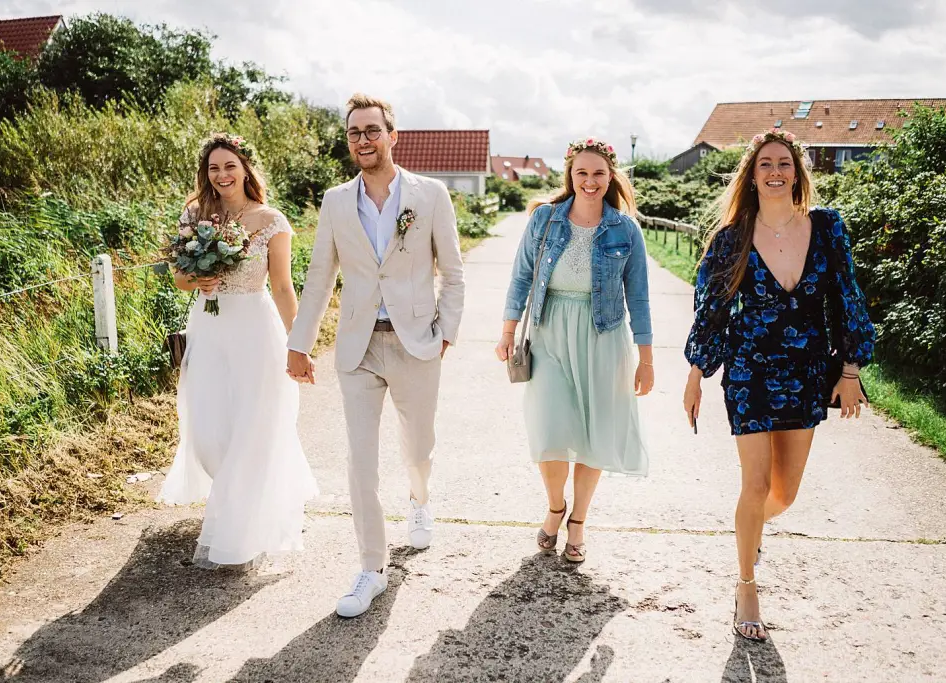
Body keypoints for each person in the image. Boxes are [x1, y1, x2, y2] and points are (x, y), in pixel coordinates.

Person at [682, 129, 876, 641]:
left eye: (784, 163)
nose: (775, 172)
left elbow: (848, 299)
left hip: (808, 370)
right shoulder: (732, 239)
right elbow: (711, 311)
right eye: (765, 164)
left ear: (797, 171)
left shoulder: (828, 228)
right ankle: (747, 585)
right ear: (752, 175)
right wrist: (697, 375)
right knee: (755, 484)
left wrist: (851, 370)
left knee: (784, 495)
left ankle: (754, 531)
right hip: (750, 369)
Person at [286, 93, 465, 618]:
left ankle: (419, 499)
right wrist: (299, 343)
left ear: (392, 135)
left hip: (416, 344)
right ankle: (371, 567)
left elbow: (453, 273)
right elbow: (319, 279)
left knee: (419, 448)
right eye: (354, 133)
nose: (362, 139)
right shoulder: (336, 202)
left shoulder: (430, 195)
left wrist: (445, 333)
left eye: (371, 130)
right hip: (359, 346)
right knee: (360, 460)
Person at [158, 132, 318, 570]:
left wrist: (299, 343)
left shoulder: (272, 220)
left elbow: (283, 286)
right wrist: (199, 281)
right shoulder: (195, 215)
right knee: (208, 432)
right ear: (205, 173)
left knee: (254, 425)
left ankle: (240, 525)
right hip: (209, 328)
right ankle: (236, 496)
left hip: (255, 329)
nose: (222, 174)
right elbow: (179, 278)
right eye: (214, 167)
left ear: (245, 168)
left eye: (230, 165)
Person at [495, 137, 653, 563]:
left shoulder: (625, 229)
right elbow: (521, 277)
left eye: (598, 173)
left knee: (593, 433)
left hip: (604, 337)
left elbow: (638, 296)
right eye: (581, 172)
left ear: (610, 177)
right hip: (549, 332)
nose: (589, 181)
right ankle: (555, 507)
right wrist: (508, 331)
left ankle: (578, 522)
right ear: (570, 175)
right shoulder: (545, 219)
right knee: (549, 428)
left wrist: (647, 358)